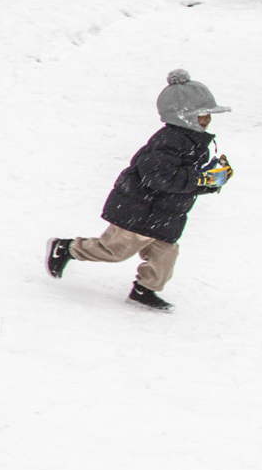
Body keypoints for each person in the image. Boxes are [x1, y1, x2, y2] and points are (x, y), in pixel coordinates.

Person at [47, 70, 231, 312]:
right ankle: (67, 248)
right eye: (201, 115)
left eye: (208, 114)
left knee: (164, 255)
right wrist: (201, 178)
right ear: (182, 116)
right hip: (141, 208)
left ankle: (144, 290)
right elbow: (159, 177)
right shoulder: (169, 141)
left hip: (168, 212)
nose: (206, 120)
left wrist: (212, 180)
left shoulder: (196, 143)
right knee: (114, 250)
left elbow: (183, 181)